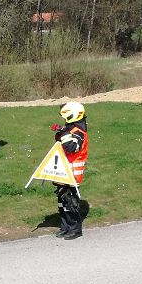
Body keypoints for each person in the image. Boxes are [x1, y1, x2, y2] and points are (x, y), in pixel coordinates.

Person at [51, 102, 88, 240]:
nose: (65, 120)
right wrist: (61, 131)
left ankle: (75, 229)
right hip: (63, 171)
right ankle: (65, 226)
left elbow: (71, 147)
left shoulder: (79, 132)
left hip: (72, 173)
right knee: (62, 200)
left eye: (67, 117)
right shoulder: (71, 129)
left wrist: (64, 132)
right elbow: (61, 142)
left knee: (70, 201)